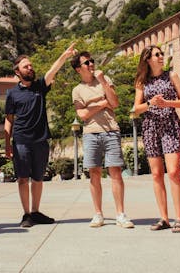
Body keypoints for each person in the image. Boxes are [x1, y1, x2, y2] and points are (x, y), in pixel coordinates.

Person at [5, 43, 77, 228]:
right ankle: (26, 214)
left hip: (40, 140)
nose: (30, 68)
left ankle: (35, 212)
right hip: (20, 141)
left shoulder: (39, 87)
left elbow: (52, 70)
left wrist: (64, 55)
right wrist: (7, 143)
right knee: (22, 179)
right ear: (18, 71)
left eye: (30, 65)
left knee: (38, 178)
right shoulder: (12, 94)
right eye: (25, 66)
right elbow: (9, 119)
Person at [70, 51, 134, 229]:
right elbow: (82, 115)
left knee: (116, 172)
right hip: (91, 133)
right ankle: (98, 214)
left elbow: (114, 103)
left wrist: (104, 83)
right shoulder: (77, 90)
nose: (91, 64)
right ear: (78, 69)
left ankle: (120, 214)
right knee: (94, 174)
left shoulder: (105, 79)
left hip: (111, 130)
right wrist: (101, 103)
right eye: (86, 63)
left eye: (92, 61)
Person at [133, 45, 180, 233]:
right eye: (157, 54)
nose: (161, 56)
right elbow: (136, 109)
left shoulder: (171, 76)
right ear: (148, 59)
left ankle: (179, 218)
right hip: (150, 127)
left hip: (170, 124)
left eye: (161, 54)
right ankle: (164, 218)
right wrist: (150, 103)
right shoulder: (142, 81)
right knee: (156, 175)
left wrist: (166, 103)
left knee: (173, 172)